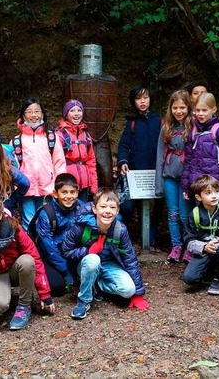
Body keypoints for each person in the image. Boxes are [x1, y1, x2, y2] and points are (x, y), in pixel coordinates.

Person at [0, 195, 55, 331]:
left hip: (16, 269)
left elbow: (34, 257)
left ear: (0, 215)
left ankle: (24, 305)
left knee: (27, 261)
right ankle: (5, 296)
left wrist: (45, 294)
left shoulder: (14, 228)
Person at [61, 188, 149, 320]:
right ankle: (84, 300)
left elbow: (129, 258)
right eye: (103, 206)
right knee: (93, 260)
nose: (107, 211)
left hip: (108, 264)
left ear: (117, 211)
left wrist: (138, 293)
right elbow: (66, 251)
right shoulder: (81, 226)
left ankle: (98, 286)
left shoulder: (120, 230)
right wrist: (88, 251)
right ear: (95, 209)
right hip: (86, 264)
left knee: (128, 290)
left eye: (112, 207)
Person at [117, 86, 164, 246]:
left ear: (151, 99)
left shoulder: (159, 120)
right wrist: (123, 161)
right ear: (133, 102)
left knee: (159, 201)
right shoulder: (132, 123)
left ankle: (152, 229)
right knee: (134, 204)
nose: (142, 101)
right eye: (138, 98)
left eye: (145, 97)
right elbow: (124, 145)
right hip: (136, 170)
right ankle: (133, 232)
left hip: (157, 170)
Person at [181, 92, 219, 224]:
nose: (200, 114)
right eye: (197, 110)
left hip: (214, 187)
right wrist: (186, 186)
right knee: (199, 217)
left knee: (217, 218)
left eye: (204, 110)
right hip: (198, 185)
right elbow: (188, 161)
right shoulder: (193, 132)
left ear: (214, 109)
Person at [12, 98, 66, 231]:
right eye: (29, 112)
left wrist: (59, 186)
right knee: (28, 222)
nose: (33, 115)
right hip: (26, 189)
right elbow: (13, 168)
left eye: (37, 111)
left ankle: (44, 250)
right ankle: (31, 250)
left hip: (48, 188)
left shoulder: (51, 138)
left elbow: (59, 163)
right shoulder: (16, 141)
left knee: (47, 221)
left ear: (42, 114)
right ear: (23, 115)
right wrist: (15, 188)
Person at [182, 175, 219, 295]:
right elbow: (188, 240)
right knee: (190, 278)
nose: (214, 196)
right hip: (206, 250)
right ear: (199, 197)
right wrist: (203, 247)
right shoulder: (194, 215)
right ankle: (210, 273)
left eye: (216, 191)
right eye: (208, 193)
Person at [155, 90, 194, 263]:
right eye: (175, 107)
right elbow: (159, 155)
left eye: (182, 107)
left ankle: (188, 246)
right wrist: (158, 183)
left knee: (185, 215)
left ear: (189, 107)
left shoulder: (193, 127)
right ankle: (176, 245)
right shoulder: (166, 127)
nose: (179, 111)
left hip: (187, 177)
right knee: (172, 213)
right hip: (170, 175)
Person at [32, 173, 82, 296]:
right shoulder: (46, 214)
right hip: (50, 256)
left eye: (72, 192)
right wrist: (65, 270)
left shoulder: (81, 207)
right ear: (55, 193)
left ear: (77, 192)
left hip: (71, 252)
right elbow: (49, 247)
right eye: (64, 192)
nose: (69, 196)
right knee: (56, 288)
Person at [56, 100, 98, 201]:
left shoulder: (86, 135)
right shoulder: (59, 135)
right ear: (66, 114)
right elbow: (56, 162)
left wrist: (94, 186)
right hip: (67, 185)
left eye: (79, 110)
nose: (76, 114)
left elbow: (91, 161)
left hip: (84, 184)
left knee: (82, 211)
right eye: (72, 110)